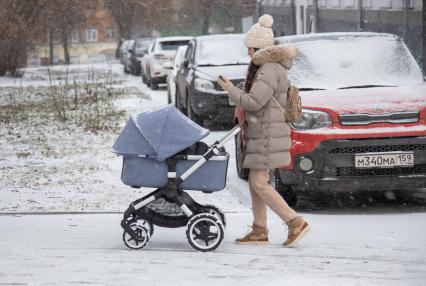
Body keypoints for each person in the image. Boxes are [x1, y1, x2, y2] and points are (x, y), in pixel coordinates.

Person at [217, 14, 310, 247]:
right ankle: (260, 229)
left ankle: (294, 221)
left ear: (260, 46)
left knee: (259, 183)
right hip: (265, 131)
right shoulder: (270, 67)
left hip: (267, 133)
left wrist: (230, 89)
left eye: (251, 48)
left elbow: (253, 102)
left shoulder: (268, 69)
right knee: (255, 181)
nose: (249, 52)